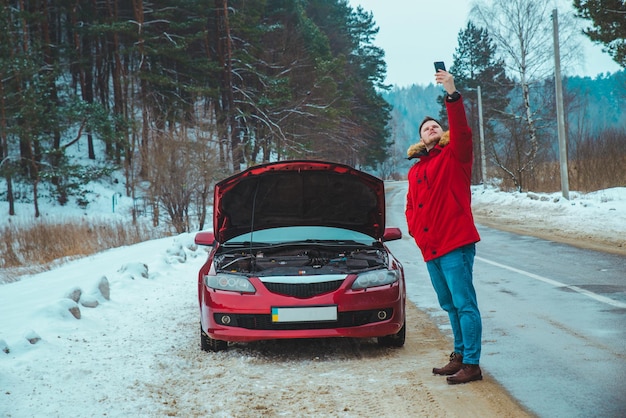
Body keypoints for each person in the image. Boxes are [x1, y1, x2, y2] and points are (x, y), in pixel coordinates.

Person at [405, 69, 483, 385]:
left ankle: (473, 364)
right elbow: (411, 208)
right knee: (449, 305)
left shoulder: (455, 154)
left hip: (455, 244)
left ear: (443, 132)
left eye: (435, 125)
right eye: (426, 128)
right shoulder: (415, 171)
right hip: (431, 249)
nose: (431, 128)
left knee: (465, 304)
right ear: (420, 138)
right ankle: (460, 355)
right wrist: (416, 232)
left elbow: (461, 129)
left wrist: (450, 91)